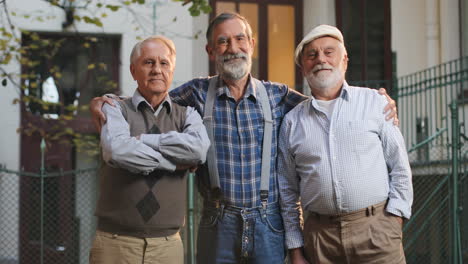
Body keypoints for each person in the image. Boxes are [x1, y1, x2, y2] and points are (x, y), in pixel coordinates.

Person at [90, 13, 398, 263]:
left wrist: (374, 99)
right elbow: (154, 93)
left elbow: (324, 104)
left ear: (251, 44)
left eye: (239, 39)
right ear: (211, 52)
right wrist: (109, 100)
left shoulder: (278, 96)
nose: (232, 47)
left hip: (269, 223)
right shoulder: (196, 93)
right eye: (222, 42)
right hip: (216, 222)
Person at [278, 24, 413, 264]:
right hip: (319, 241)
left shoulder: (375, 102)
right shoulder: (291, 122)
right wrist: (296, 249)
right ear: (302, 67)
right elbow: (287, 191)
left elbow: (399, 166)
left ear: (345, 60)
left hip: (377, 234)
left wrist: (395, 219)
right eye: (312, 54)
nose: (321, 59)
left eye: (328, 52)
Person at [89, 36, 210, 264]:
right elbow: (116, 151)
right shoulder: (115, 109)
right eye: (148, 63)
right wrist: (173, 163)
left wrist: (143, 141)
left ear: (172, 70)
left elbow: (198, 151)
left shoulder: (188, 115)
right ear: (134, 71)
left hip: (167, 246)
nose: (157, 70)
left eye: (164, 63)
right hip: (115, 243)